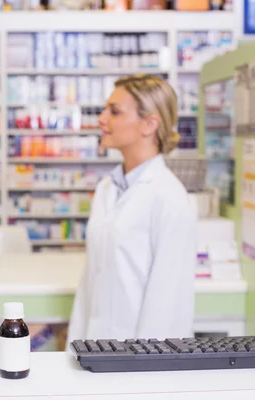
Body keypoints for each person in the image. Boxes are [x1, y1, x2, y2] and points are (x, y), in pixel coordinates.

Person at [67, 74, 197, 343]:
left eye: (114, 112)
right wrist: (76, 345)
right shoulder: (107, 188)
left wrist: (144, 370)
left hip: (139, 361)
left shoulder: (170, 198)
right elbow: (91, 280)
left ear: (149, 124)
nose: (102, 119)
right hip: (95, 349)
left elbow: (167, 300)